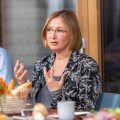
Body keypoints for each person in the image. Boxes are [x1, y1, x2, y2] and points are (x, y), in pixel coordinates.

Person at [14, 10, 101, 111]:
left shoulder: (87, 65)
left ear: (72, 34)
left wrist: (56, 94)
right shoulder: (42, 63)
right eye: (49, 30)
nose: (52, 36)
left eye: (59, 31)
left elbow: (86, 108)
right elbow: (31, 105)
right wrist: (23, 86)